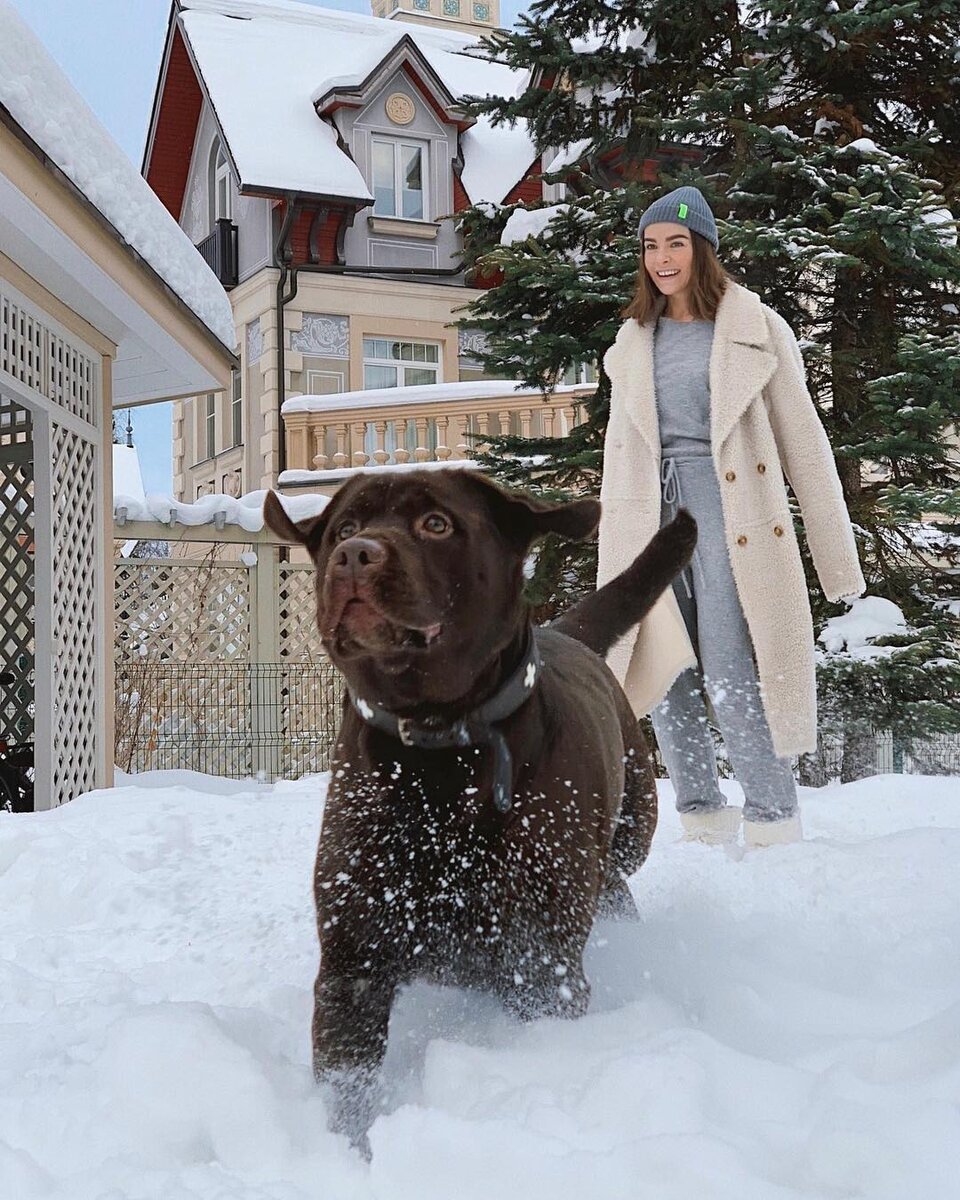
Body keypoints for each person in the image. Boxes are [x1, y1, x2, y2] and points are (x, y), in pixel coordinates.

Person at [597, 185, 865, 848]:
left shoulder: (754, 327)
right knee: (663, 670)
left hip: (729, 507)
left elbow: (806, 445)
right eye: (652, 246)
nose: (663, 258)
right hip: (653, 520)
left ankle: (772, 818)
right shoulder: (634, 339)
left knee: (727, 665)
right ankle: (702, 817)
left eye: (676, 244)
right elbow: (619, 462)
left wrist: (838, 564)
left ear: (703, 248)